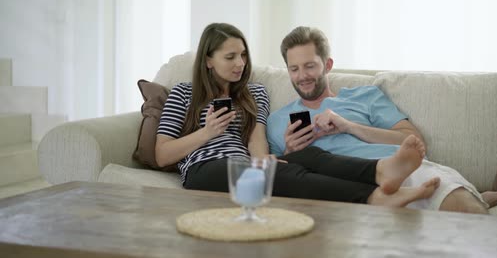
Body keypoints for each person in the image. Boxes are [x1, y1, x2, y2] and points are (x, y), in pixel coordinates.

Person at [154, 22, 441, 208]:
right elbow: (163, 155)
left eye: (243, 55)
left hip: (245, 166)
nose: (240, 63)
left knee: (308, 156)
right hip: (207, 169)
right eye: (230, 57)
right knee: (291, 174)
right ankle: (374, 197)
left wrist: (264, 159)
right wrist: (207, 132)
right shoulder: (184, 93)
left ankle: (381, 170)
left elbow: (256, 140)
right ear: (208, 60)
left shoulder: (253, 93)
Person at [266, 26, 497, 213]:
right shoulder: (277, 121)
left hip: (396, 167)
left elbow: (413, 141)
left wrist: (349, 126)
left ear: (328, 65)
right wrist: (289, 151)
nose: (302, 76)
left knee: (464, 211)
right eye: (294, 68)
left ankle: (470, 197)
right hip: (342, 188)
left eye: (309, 66)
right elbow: (280, 178)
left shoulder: (364, 96)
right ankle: (477, 195)